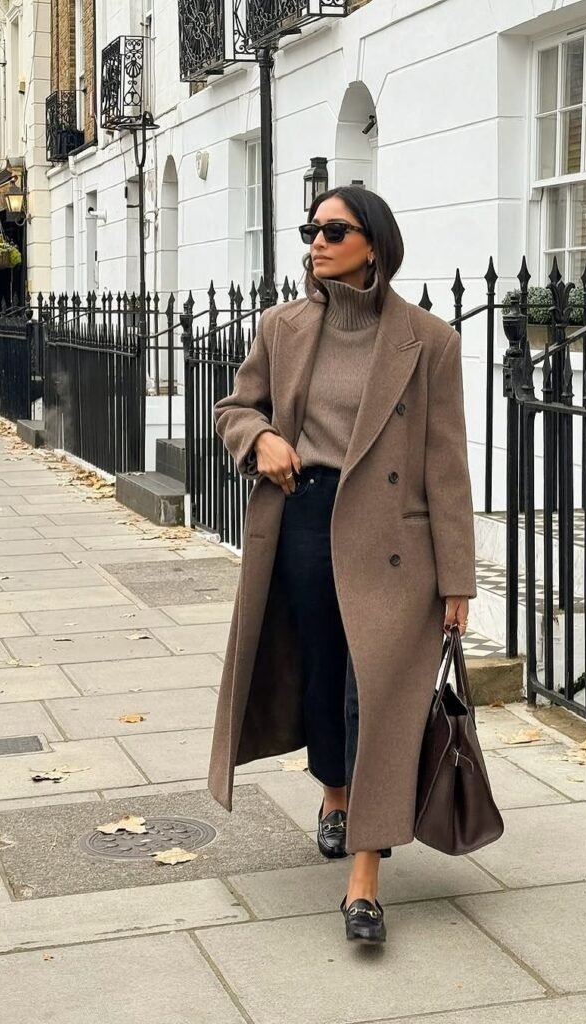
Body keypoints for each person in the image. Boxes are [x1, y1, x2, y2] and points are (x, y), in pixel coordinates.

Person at [208, 186, 476, 945]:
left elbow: (446, 465)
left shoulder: (428, 340)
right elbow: (234, 406)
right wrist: (257, 439)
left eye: (335, 229)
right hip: (302, 522)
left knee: (379, 699)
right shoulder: (284, 326)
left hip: (393, 541)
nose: (317, 241)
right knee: (324, 677)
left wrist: (457, 578)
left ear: (374, 244)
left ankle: (364, 879)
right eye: (312, 230)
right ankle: (334, 792)